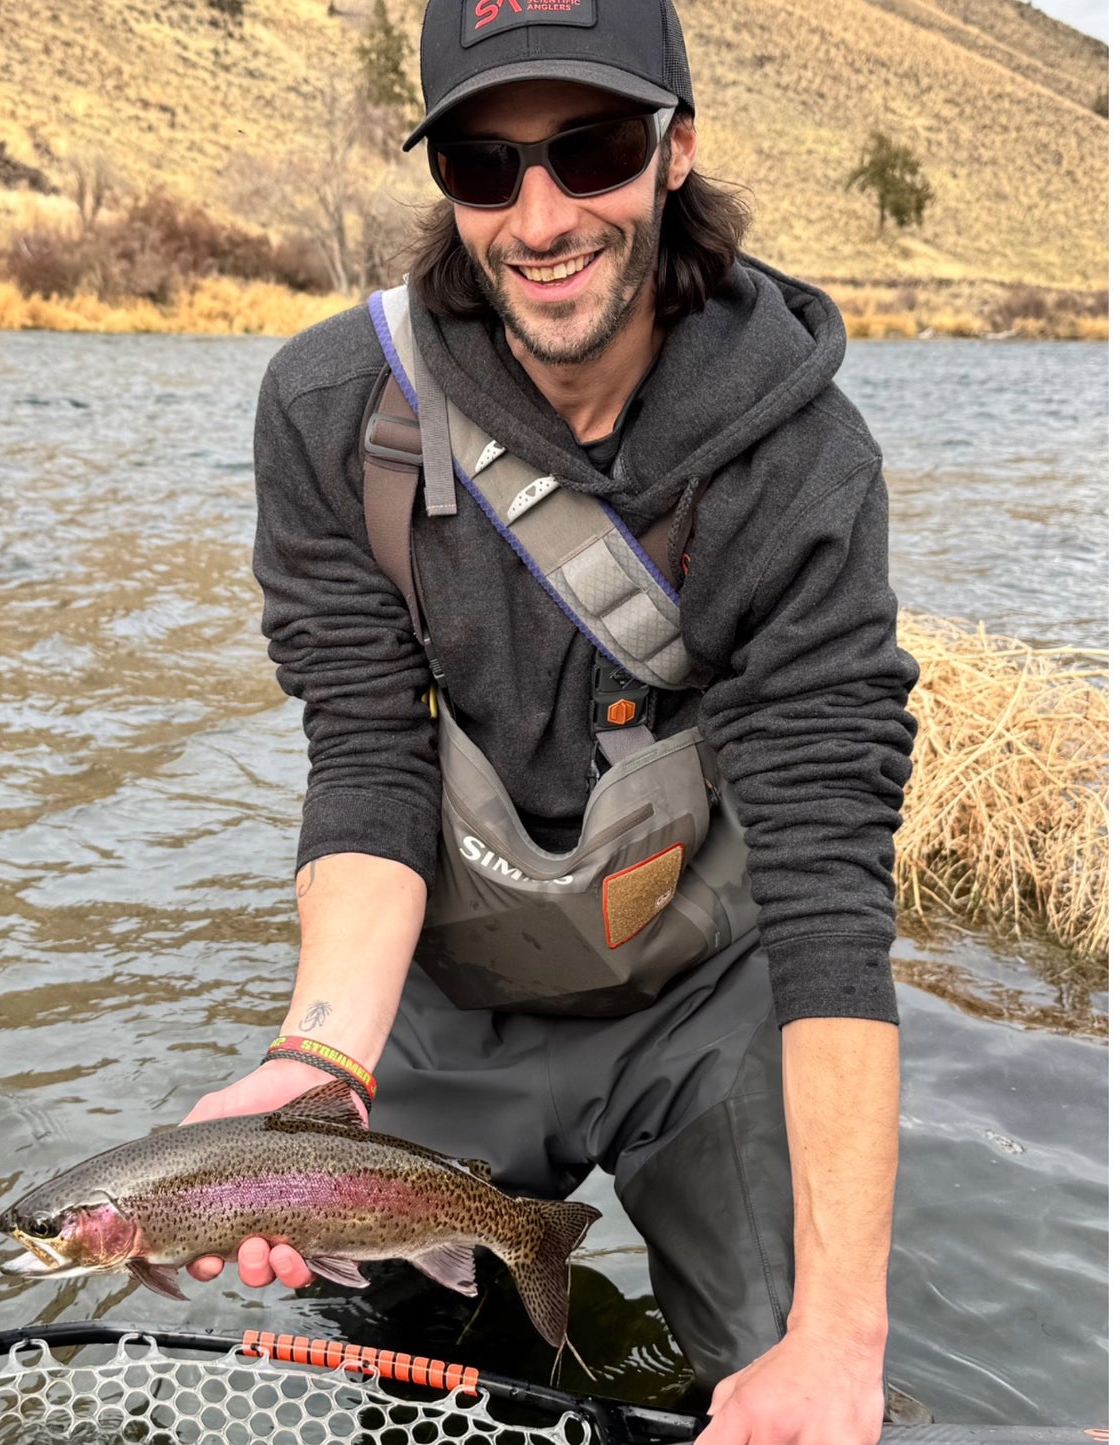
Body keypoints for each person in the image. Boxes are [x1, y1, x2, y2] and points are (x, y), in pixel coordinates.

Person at [183, 2, 919, 1442]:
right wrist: (321, 1061)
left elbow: (829, 880)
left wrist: (840, 1331)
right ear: (445, 182)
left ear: (675, 151)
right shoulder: (333, 408)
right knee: (387, 1380)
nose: (538, 214)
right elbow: (366, 751)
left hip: (711, 999)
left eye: (587, 149)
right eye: (482, 160)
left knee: (801, 1388)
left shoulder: (800, 456)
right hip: (452, 996)